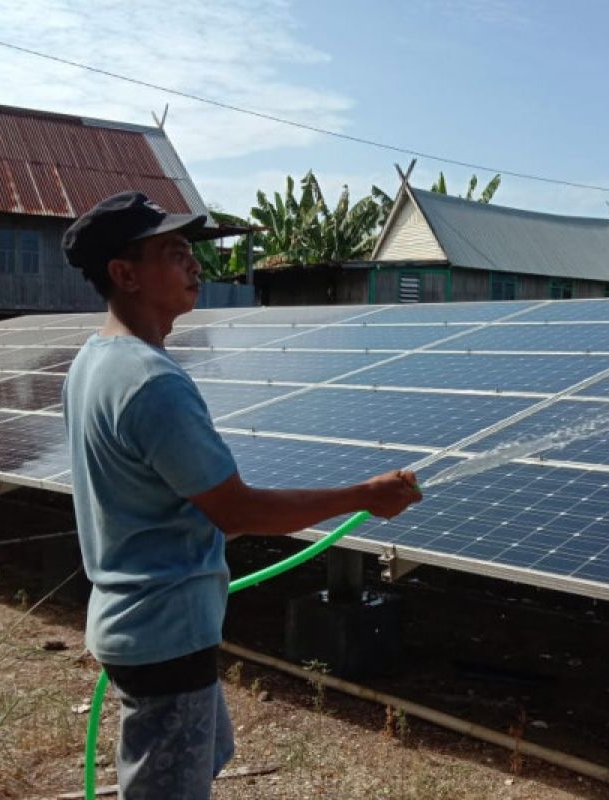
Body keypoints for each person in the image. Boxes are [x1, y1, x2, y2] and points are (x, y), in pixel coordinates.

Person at [61, 191, 421, 798]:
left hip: (134, 625)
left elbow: (169, 503)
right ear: (124, 275)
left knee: (198, 757)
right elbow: (240, 509)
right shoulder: (151, 384)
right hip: (164, 632)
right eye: (174, 254)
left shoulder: (93, 362)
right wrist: (364, 496)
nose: (195, 266)